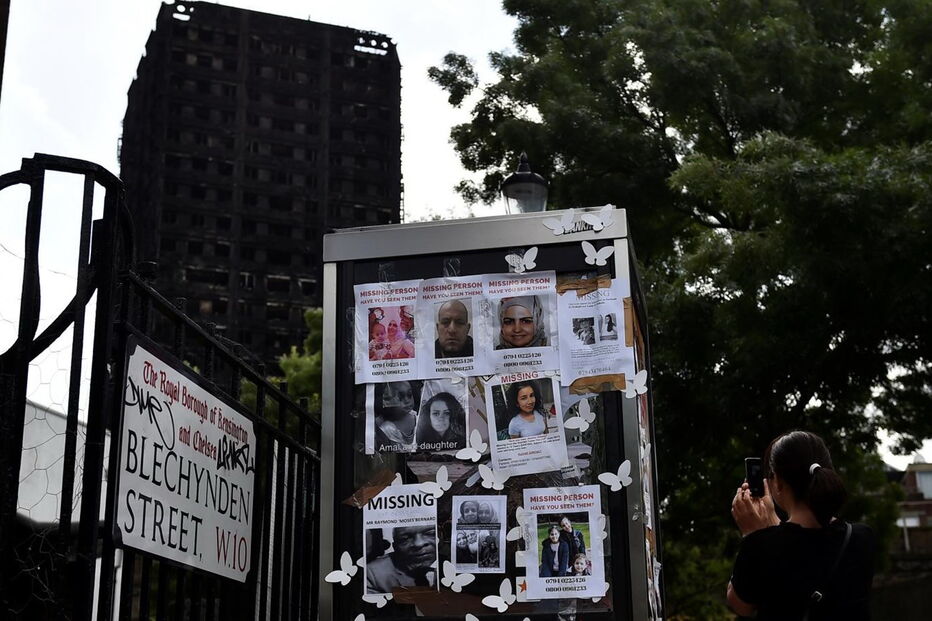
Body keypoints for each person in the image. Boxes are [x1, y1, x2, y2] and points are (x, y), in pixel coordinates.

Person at [728, 431, 875, 620]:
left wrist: (751, 535)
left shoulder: (761, 546)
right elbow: (802, 549)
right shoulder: (862, 537)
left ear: (778, 483)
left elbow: (741, 606)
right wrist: (771, 527)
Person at [366, 525, 437, 594]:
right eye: (405, 539)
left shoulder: (447, 558)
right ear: (395, 547)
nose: (418, 543)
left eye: (430, 534)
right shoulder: (374, 574)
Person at [374, 381, 417, 451]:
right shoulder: (387, 429)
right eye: (400, 397)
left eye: (409, 395)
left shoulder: (416, 417)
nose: (407, 401)